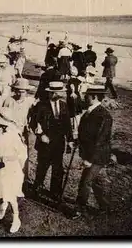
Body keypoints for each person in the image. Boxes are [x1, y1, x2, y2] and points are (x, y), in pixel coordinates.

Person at [71, 85, 113, 219]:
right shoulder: (89, 112)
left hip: (97, 156)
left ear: (94, 97)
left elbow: (100, 140)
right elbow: (85, 133)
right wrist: (77, 141)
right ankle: (104, 207)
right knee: (94, 181)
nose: (84, 97)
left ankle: (79, 209)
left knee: (85, 181)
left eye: (87, 95)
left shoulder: (103, 116)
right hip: (91, 154)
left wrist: (89, 159)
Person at [0, 108, 27, 233]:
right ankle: (3, 203)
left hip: (11, 168)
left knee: (11, 195)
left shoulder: (14, 136)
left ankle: (16, 218)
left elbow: (22, 154)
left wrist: (5, 158)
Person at [32, 81, 73, 201]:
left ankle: (55, 192)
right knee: (42, 167)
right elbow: (33, 122)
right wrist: (40, 135)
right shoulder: (41, 106)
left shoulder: (64, 105)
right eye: (55, 92)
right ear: (50, 93)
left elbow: (67, 125)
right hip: (45, 142)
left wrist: (70, 140)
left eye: (59, 92)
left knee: (58, 169)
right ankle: (36, 188)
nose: (58, 94)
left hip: (58, 143)